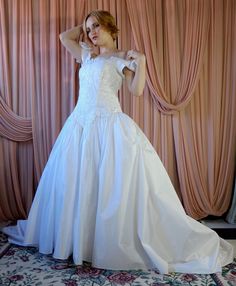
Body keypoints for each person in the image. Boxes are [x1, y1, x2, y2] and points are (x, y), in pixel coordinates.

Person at [3, 10, 233, 274]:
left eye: (97, 27)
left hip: (109, 124)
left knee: (109, 186)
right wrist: (86, 26)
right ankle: (80, 241)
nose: (91, 33)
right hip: (79, 126)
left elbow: (135, 90)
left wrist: (142, 62)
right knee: (79, 185)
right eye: (89, 29)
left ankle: (105, 243)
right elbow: (64, 37)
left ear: (111, 27)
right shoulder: (87, 55)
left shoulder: (121, 58)